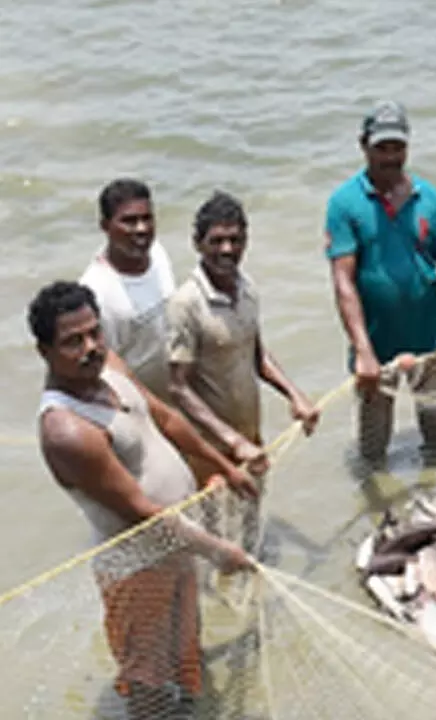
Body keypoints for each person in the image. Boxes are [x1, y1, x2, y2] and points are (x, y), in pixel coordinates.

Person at [30, 280, 259, 719]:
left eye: (94, 332)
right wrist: (218, 549)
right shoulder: (66, 430)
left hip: (177, 543)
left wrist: (226, 465)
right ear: (45, 352)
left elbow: (167, 418)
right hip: (137, 567)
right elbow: (140, 511)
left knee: (185, 645)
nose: (90, 348)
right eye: (73, 341)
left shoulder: (111, 367)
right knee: (147, 676)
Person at [325, 100, 436, 466]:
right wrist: (363, 350)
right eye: (382, 148)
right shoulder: (344, 203)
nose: (391, 157)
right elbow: (344, 282)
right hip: (376, 345)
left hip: (429, 337)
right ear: (364, 146)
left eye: (398, 147)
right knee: (373, 445)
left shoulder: (428, 197)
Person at [167, 191, 320, 491]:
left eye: (235, 240)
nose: (227, 249)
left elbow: (257, 355)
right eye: (216, 241)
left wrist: (295, 395)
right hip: (210, 449)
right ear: (197, 243)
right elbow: (178, 388)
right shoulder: (186, 304)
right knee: (215, 515)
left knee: (252, 505)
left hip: (250, 438)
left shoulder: (246, 287)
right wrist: (232, 441)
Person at [79, 179, 176, 401]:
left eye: (147, 218)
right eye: (129, 221)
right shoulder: (96, 292)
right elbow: (104, 370)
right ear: (105, 226)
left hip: (172, 389)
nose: (142, 229)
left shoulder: (157, 253)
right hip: (136, 401)